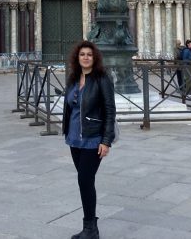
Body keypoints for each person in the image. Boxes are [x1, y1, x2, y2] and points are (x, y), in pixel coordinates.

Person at [63, 41, 116, 239]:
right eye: (82, 54)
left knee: (85, 180)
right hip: (74, 138)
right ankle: (90, 227)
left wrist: (106, 140)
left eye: (89, 55)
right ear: (77, 58)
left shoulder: (102, 78)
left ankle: (90, 229)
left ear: (95, 58)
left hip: (93, 138)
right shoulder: (73, 78)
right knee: (85, 181)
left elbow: (110, 110)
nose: (85, 57)